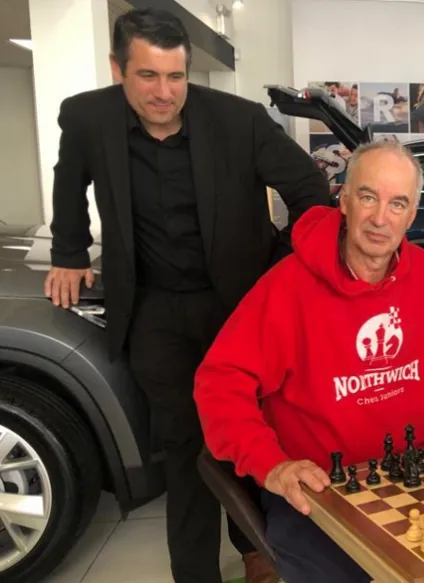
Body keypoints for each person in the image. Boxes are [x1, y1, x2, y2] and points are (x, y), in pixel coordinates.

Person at [43, 8, 330, 583]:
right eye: (148, 76)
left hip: (240, 305)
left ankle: (257, 552)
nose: (164, 92)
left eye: (176, 77)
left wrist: (292, 270)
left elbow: (309, 188)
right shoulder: (86, 117)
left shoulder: (240, 121)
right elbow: (68, 180)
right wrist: (68, 253)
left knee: (253, 428)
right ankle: (196, 574)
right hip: (153, 309)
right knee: (188, 445)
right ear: (117, 68)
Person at [193, 141, 424, 583]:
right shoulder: (287, 286)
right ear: (344, 199)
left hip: (416, 470)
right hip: (320, 490)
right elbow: (219, 382)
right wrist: (270, 464)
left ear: (412, 216)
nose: (380, 218)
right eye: (369, 197)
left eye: (398, 204)